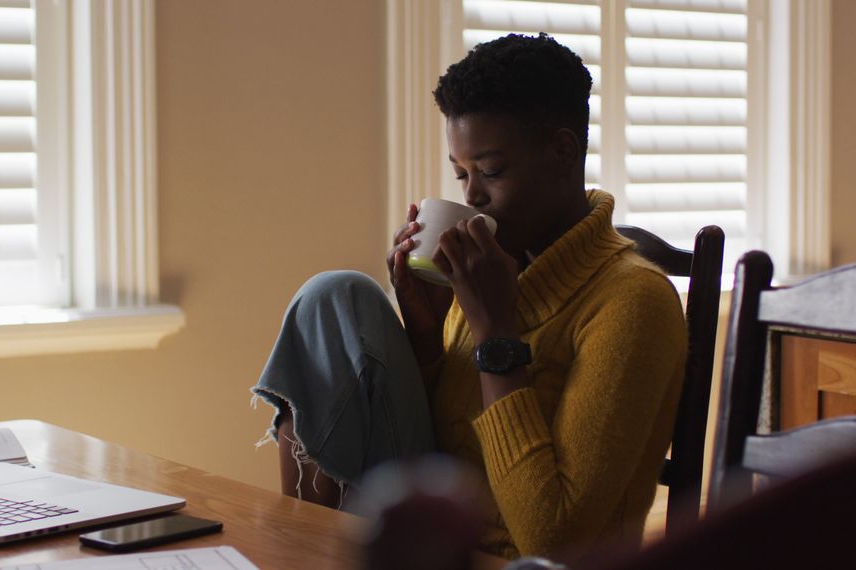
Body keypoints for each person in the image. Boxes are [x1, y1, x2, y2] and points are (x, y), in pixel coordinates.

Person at [251, 33, 687, 560]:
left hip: (516, 559)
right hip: (431, 538)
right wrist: (428, 337)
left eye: (492, 171)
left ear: (563, 152)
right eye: (461, 173)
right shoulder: (492, 268)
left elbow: (555, 543)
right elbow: (447, 444)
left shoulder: (634, 303)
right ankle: (295, 550)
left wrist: (497, 337)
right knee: (334, 295)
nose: (472, 196)